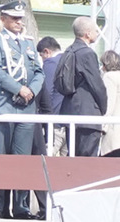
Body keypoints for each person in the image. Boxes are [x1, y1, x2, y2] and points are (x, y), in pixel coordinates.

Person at [0, 3, 42, 219]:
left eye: (21, 18)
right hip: (3, 107)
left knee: (22, 161)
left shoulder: (27, 42)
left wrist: (31, 91)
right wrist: (18, 88)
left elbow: (39, 72)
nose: (19, 22)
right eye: (14, 18)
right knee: (0, 159)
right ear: (4, 18)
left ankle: (21, 207)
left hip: (25, 109)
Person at [49, 16, 105, 157]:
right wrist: (103, 109)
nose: (97, 33)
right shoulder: (87, 53)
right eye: (95, 31)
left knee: (73, 158)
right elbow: (97, 85)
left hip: (70, 110)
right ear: (87, 33)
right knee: (87, 162)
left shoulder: (68, 51)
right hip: (87, 115)